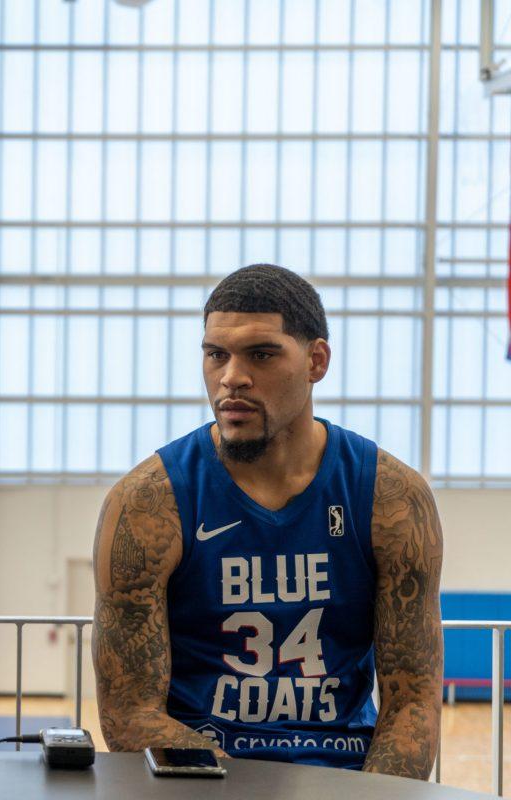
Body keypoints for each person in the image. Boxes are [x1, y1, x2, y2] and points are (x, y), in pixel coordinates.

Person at [93, 264, 442, 778]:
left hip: (341, 778)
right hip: (203, 785)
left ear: (316, 361)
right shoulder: (149, 503)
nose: (231, 376)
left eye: (261, 354)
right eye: (216, 355)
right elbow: (129, 713)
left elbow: (412, 704)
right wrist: (253, 792)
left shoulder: (391, 499)